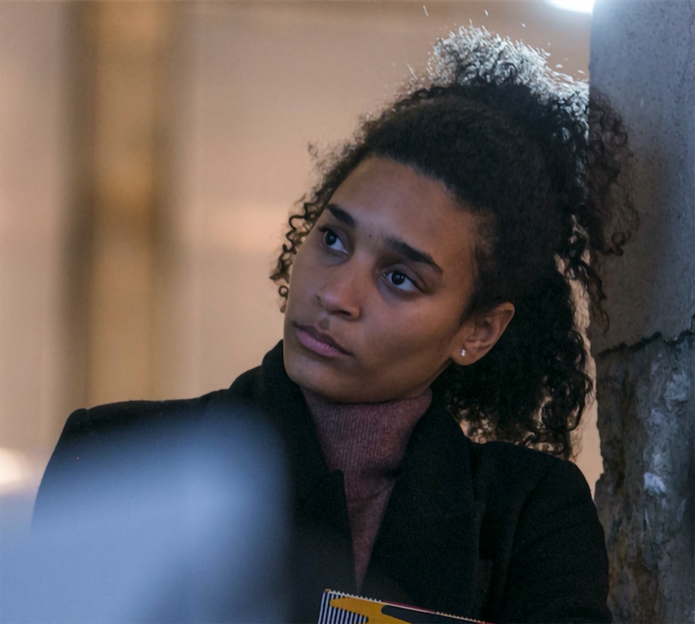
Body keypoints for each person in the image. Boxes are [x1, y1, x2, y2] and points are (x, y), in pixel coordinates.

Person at [35, 27, 634, 624]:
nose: (336, 294)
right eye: (333, 239)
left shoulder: (527, 514)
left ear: (477, 332)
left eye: (399, 277)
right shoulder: (118, 458)